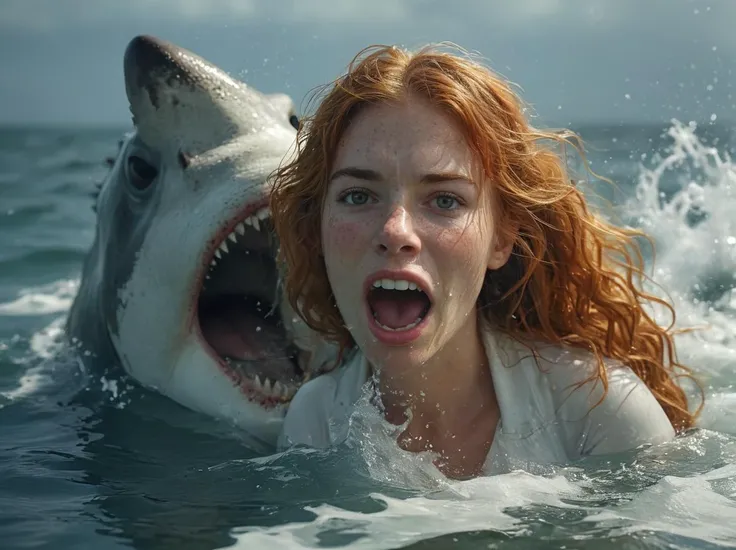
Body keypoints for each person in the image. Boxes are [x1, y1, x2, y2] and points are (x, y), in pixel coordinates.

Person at [269, 44, 702, 479]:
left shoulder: (599, 414)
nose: (395, 231)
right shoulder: (317, 422)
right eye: (358, 196)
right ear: (317, 228)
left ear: (502, 237)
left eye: (444, 200)